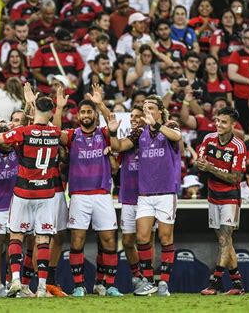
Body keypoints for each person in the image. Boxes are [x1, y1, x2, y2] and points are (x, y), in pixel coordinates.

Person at [0, 83, 61, 298]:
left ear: (34, 111)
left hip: (23, 192)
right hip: (46, 194)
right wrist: (34, 104)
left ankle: (15, 280)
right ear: (51, 111)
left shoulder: (23, 132)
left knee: (16, 235)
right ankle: (41, 287)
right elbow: (45, 120)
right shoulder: (56, 133)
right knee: (43, 239)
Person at [109, 95, 181, 296]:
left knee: (166, 238)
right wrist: (113, 132)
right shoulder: (139, 132)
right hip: (145, 193)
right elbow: (119, 146)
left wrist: (156, 125)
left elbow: (177, 137)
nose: (147, 110)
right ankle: (148, 281)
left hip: (166, 192)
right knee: (141, 237)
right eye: (145, 107)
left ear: (159, 110)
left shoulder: (170, 125)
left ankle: (164, 283)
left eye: (151, 107)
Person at [54, 85, 122, 297]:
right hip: (79, 196)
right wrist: (59, 108)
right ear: (78, 116)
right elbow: (56, 134)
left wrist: (100, 103)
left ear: (94, 115)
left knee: (109, 239)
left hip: (102, 194)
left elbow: (117, 144)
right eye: (82, 112)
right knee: (77, 241)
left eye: (89, 112)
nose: (85, 115)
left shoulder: (104, 133)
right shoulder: (73, 135)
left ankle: (108, 285)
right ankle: (79, 286)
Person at [198, 106, 247, 296]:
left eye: (223, 122)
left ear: (233, 124)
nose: (218, 124)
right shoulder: (208, 139)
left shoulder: (238, 146)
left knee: (224, 239)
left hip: (230, 197)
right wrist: (201, 164)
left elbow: (235, 178)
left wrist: (210, 168)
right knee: (225, 241)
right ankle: (238, 284)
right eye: (217, 120)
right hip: (213, 195)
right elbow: (200, 162)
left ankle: (215, 283)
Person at [113, 105, 151, 289]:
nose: (134, 119)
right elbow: (114, 167)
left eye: (138, 116)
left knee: (147, 240)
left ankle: (149, 278)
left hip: (147, 196)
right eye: (132, 116)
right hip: (128, 195)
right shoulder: (126, 142)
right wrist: (108, 155)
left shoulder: (152, 139)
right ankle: (137, 276)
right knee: (128, 241)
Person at [0, 124, 18, 297]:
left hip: (15, 204)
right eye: (2, 138)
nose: (7, 141)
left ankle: (11, 282)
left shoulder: (17, 151)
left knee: (13, 244)